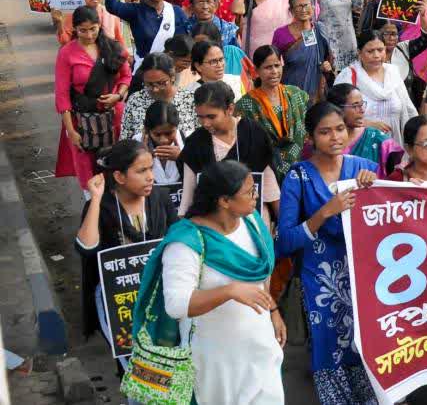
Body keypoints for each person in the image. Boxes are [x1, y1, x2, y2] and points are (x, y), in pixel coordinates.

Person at [132, 159, 284, 403]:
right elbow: (177, 304)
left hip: (260, 349)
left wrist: (273, 311)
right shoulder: (186, 242)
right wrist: (229, 291)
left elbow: (258, 279)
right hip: (215, 362)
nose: (255, 197)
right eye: (248, 192)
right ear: (224, 201)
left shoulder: (252, 221)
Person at [277, 101, 380, 403]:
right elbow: (285, 242)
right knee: (330, 352)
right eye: (325, 132)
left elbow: (391, 222)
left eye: (340, 129)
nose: (335, 137)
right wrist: (324, 213)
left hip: (366, 280)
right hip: (321, 286)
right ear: (310, 138)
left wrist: (375, 190)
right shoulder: (298, 177)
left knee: (368, 345)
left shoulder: (366, 170)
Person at [75, 141, 178, 369]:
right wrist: (96, 199)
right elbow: (87, 247)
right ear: (120, 177)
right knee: (136, 367)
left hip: (159, 296)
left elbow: (178, 240)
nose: (150, 176)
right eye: (142, 171)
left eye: (151, 168)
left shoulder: (160, 199)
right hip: (118, 303)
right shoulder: (102, 207)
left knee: (166, 362)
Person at [56, 6, 132, 190]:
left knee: (117, 166)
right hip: (81, 122)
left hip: (114, 118)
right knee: (88, 171)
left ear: (99, 26)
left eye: (93, 29)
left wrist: (118, 95)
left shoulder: (114, 48)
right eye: (83, 30)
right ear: (74, 29)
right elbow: (62, 94)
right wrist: (71, 131)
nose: (89, 35)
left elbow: (126, 76)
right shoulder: (67, 53)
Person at [179, 80, 280, 216]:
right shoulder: (196, 143)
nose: (205, 123)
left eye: (211, 117)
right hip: (214, 223)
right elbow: (188, 197)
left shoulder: (253, 133)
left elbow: (270, 189)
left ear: (230, 109)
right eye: (200, 117)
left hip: (253, 217)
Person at [235, 45, 310, 184]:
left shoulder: (296, 94)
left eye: (277, 65)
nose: (274, 71)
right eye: (268, 67)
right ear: (256, 70)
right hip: (266, 172)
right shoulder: (246, 105)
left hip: (300, 169)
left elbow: (308, 130)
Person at [334, 30, 418, 143]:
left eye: (380, 50)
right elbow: (335, 114)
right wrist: (367, 124)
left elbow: (408, 108)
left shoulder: (393, 73)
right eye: (370, 51)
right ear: (359, 53)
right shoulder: (347, 76)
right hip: (361, 146)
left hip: (395, 147)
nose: (376, 56)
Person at [105, 0, 187, 69]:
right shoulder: (136, 11)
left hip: (172, 69)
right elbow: (112, 6)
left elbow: (186, 39)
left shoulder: (176, 11)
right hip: (145, 70)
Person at [121, 52, 199, 140]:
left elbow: (202, 139)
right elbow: (125, 140)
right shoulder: (135, 101)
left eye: (161, 83)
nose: (155, 89)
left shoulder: (190, 99)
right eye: (149, 84)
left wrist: (182, 153)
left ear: (172, 77)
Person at [272, 0, 332, 96]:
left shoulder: (319, 29)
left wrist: (327, 65)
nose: (303, 10)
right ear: (291, 10)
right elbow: (273, 61)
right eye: (299, 6)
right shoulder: (281, 33)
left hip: (317, 87)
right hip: (291, 87)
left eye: (306, 5)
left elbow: (329, 56)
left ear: (313, 7)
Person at [321, 83, 395, 168]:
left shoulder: (377, 139)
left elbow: (397, 172)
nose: (362, 110)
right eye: (355, 106)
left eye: (362, 104)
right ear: (337, 109)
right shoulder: (324, 142)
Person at [314, 0, 363, 73]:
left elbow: (357, 6)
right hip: (328, 35)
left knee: (350, 71)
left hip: (348, 35)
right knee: (331, 71)